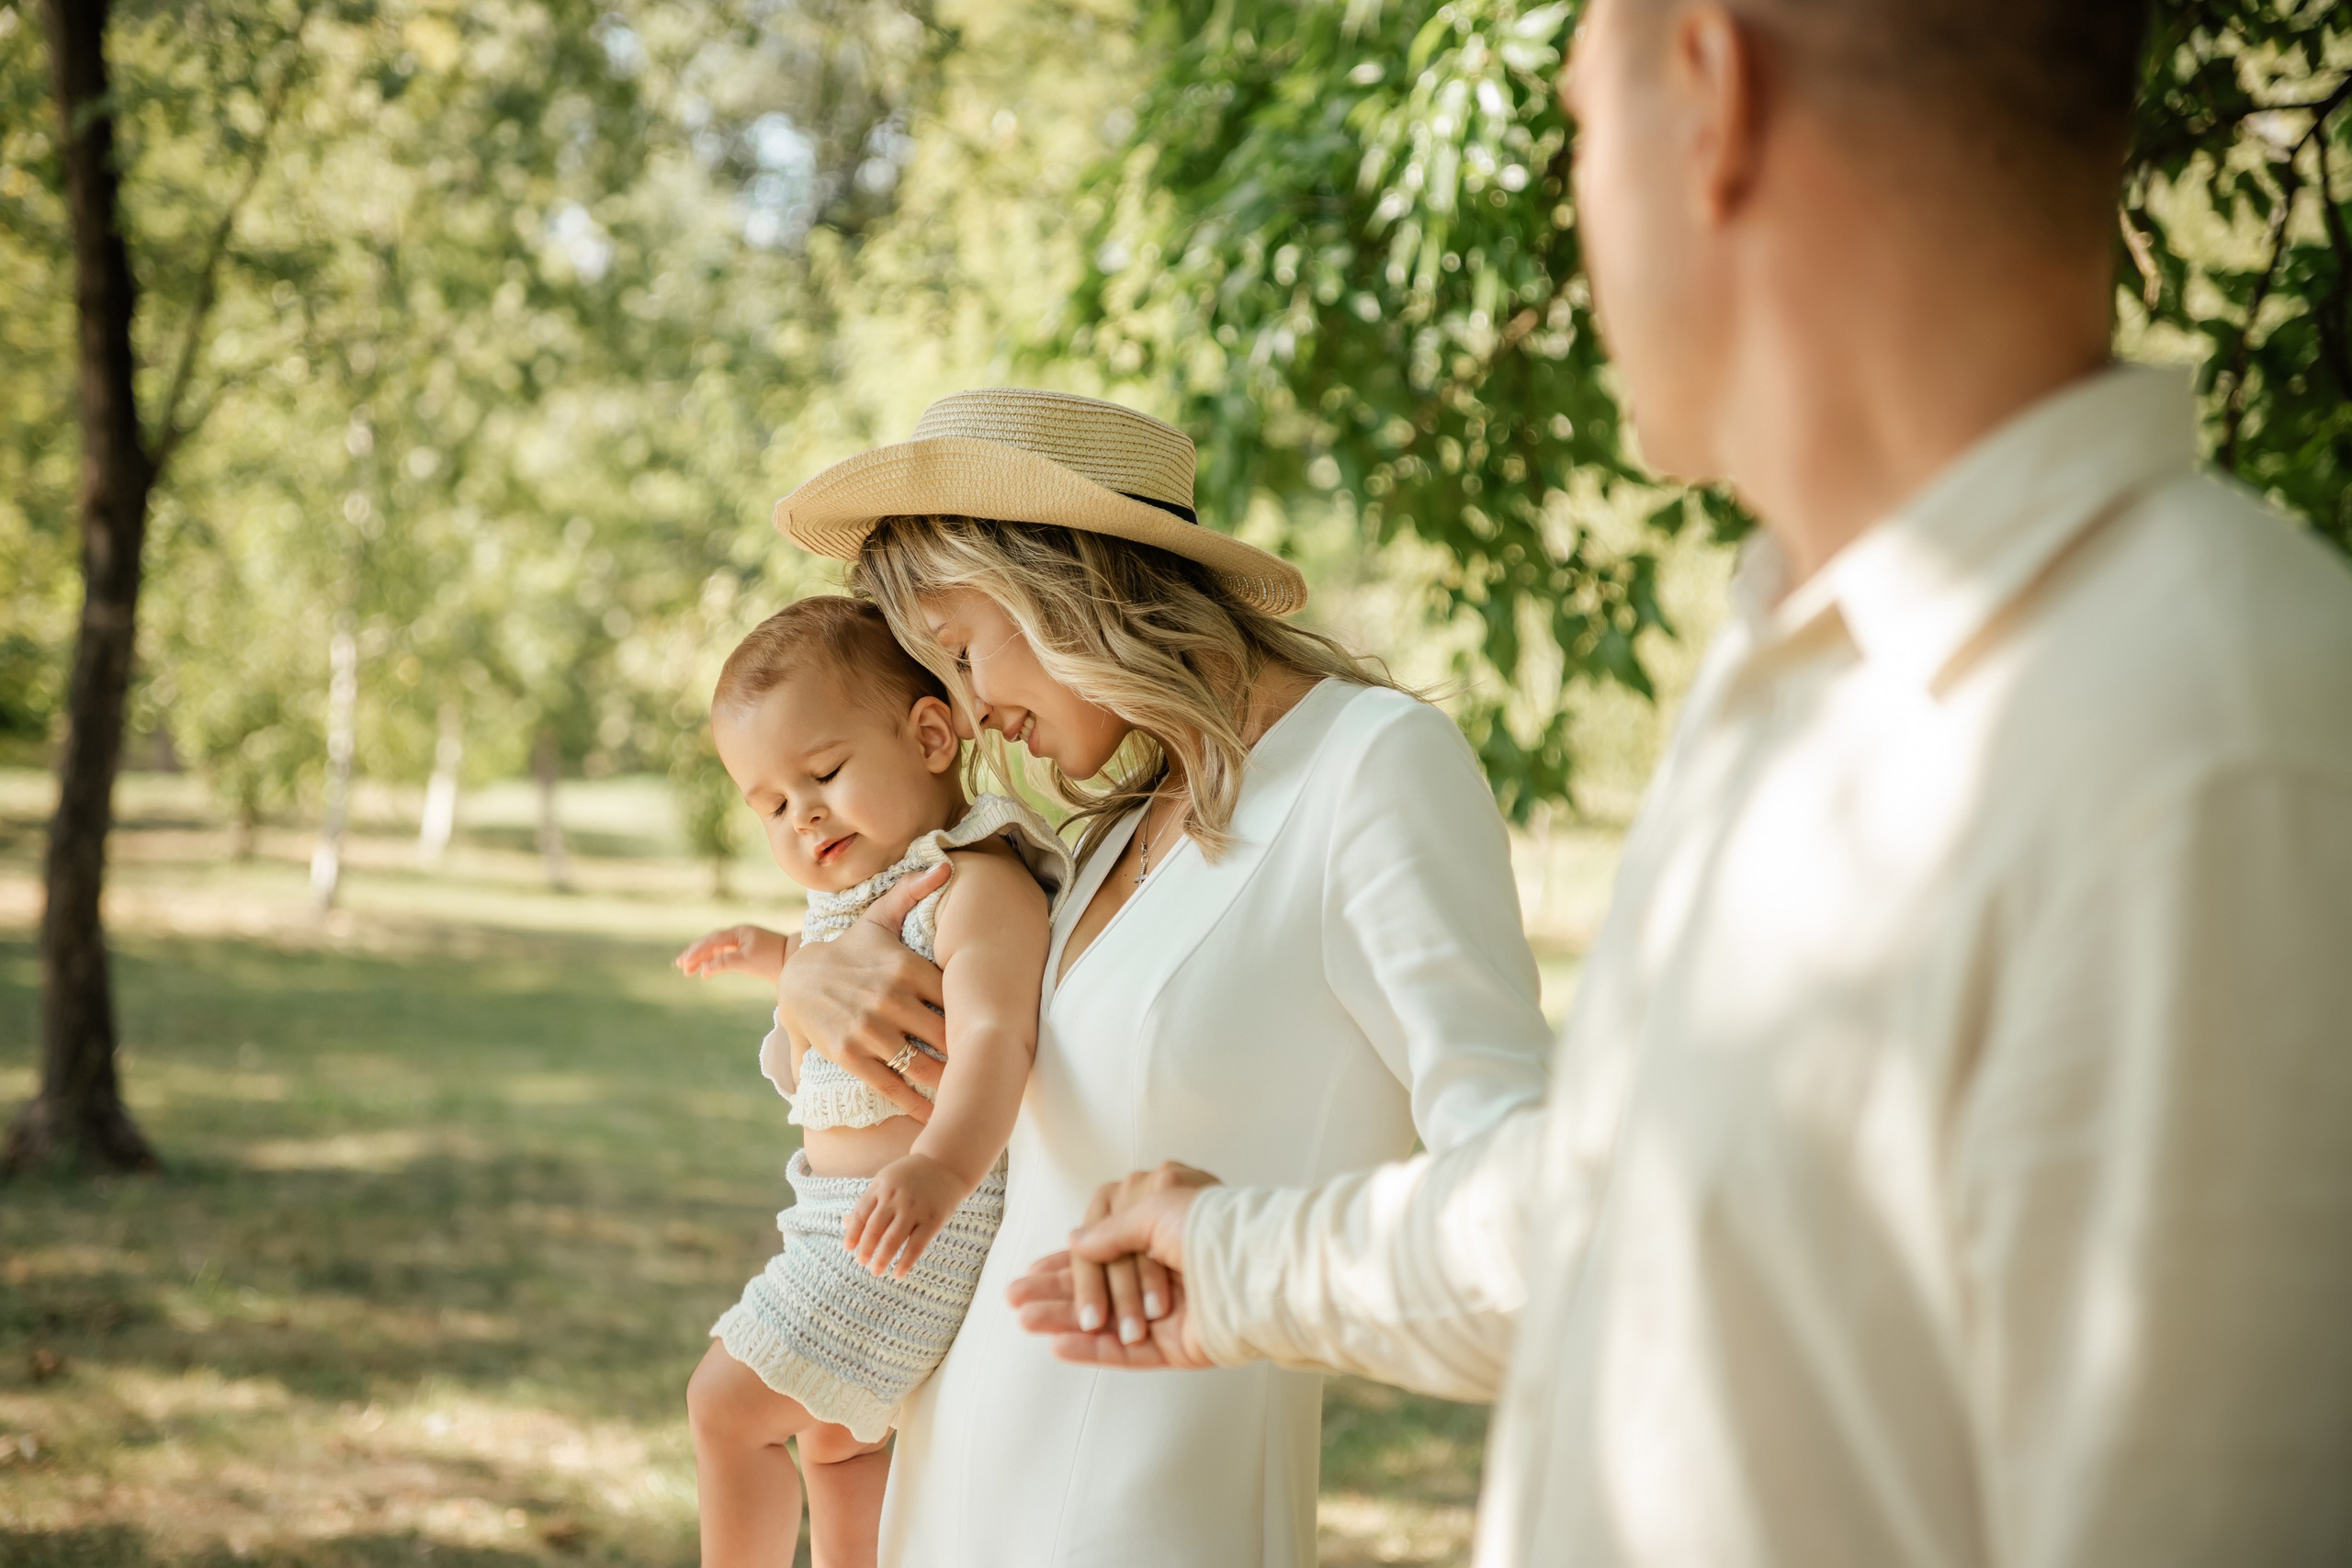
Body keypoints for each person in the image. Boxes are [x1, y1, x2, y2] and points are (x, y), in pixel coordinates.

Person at [1013, 1, 2352, 1564]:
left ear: (1708, 94)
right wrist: (1230, 1258)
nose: (1580, 212)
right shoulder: (1799, 676)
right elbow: (1624, 1220)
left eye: (1583, 124)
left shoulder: (2213, 753)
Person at [764, 386, 1556, 1566]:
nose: (971, 714)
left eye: (965, 652)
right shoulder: (1105, 836)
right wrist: (805, 991)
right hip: (947, 1508)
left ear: (1063, 586)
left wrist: (1240, 1252)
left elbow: (1526, 1202)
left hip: (1143, 1528)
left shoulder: (1373, 767)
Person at [673, 596, 1072, 1568]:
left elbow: (991, 1041)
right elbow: (844, 968)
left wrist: (938, 1168)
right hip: (842, 1218)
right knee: (838, 1450)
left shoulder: (974, 882)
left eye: (823, 774)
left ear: (932, 734)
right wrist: (774, 954)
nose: (801, 816)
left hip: (909, 1228)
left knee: (724, 1407)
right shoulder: (867, 894)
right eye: (769, 804)